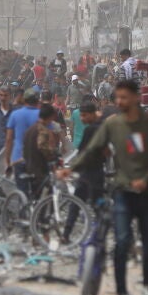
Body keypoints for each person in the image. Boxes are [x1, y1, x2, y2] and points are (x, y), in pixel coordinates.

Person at [57, 80, 148, 295]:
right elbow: (91, 150)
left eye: (124, 97)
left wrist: (147, 178)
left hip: (147, 192)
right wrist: (72, 167)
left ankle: (147, 284)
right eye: (118, 98)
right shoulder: (113, 125)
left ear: (136, 98)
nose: (120, 102)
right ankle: (122, 292)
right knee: (122, 241)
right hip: (123, 191)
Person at [63, 101, 103, 241]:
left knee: (76, 204)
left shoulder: (90, 130)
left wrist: (71, 169)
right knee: (97, 206)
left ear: (92, 114)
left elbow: (83, 153)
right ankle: (99, 237)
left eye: (85, 115)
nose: (82, 118)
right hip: (98, 172)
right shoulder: (102, 127)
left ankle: (66, 233)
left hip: (88, 173)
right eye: (81, 115)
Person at [23, 104, 65, 199]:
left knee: (35, 195)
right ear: (50, 117)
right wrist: (53, 155)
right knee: (49, 190)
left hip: (28, 166)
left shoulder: (30, 129)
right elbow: (42, 146)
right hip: (39, 168)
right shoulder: (42, 130)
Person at [4, 90, 42, 196]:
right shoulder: (42, 115)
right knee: (37, 192)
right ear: (38, 101)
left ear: (24, 100)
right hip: (37, 159)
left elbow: (9, 139)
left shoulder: (15, 115)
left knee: (22, 191)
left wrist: (7, 160)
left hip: (18, 158)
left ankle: (24, 205)